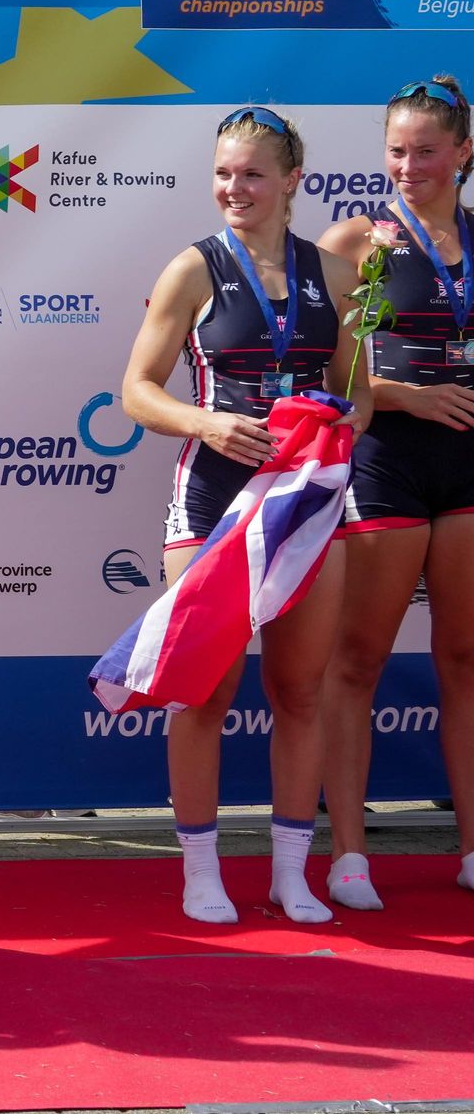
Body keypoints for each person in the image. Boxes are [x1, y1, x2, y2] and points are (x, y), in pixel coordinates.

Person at [121, 107, 368, 925]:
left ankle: (292, 873)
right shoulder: (193, 268)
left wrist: (331, 424)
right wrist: (207, 422)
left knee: (299, 692)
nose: (235, 188)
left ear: (292, 180)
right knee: (204, 692)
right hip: (212, 505)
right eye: (224, 173)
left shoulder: (335, 276)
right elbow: (137, 391)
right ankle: (201, 871)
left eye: (253, 174)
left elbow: (360, 391)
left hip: (305, 505)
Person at [320, 75, 474, 909]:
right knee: (358, 659)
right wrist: (407, 396)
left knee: (465, 659)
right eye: (396, 151)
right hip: (387, 461)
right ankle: (349, 853)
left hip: (469, 465)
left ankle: (472, 847)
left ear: (464, 153)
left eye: (426, 152)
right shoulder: (357, 239)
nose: (409, 167)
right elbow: (318, 368)